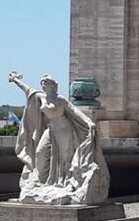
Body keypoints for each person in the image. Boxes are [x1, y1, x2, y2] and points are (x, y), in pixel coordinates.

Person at [8, 71, 109, 205]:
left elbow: (75, 111)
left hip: (63, 128)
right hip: (51, 129)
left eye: (46, 83)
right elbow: (28, 90)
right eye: (42, 83)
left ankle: (66, 183)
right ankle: (41, 181)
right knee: (40, 152)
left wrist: (89, 123)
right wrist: (15, 79)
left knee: (64, 157)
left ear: (52, 85)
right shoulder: (41, 97)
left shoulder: (60, 99)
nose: (43, 85)